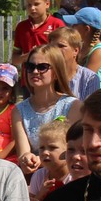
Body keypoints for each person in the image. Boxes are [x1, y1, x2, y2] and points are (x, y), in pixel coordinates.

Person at [13, 45, 80, 175]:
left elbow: (72, 149)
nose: (35, 71)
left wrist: (41, 159)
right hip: (35, 176)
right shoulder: (19, 110)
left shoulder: (73, 106)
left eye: (42, 67)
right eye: (30, 67)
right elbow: (23, 153)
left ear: (56, 72)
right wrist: (27, 159)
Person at [10, 0, 64, 65]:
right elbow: (14, 59)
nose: (32, 8)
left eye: (36, 4)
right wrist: (27, 56)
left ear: (47, 4)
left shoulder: (57, 25)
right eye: (29, 5)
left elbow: (64, 55)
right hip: (29, 76)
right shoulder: (21, 27)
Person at [59, 5, 101, 86]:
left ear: (87, 29)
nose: (72, 26)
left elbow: (83, 78)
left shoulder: (99, 52)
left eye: (75, 24)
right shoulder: (81, 45)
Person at [48, 27, 100, 100]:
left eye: (61, 46)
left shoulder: (89, 79)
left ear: (75, 51)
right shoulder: (46, 75)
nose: (55, 50)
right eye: (52, 46)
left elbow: (90, 109)